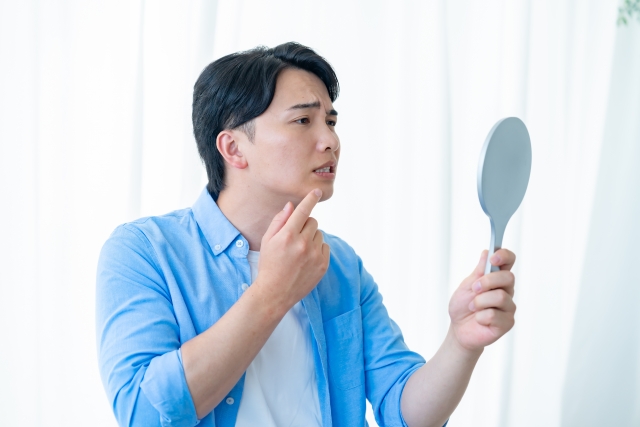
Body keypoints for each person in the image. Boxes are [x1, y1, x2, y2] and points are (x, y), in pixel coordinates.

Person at [96, 42, 517, 427]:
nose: (330, 140)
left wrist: (461, 342)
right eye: (303, 120)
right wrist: (271, 293)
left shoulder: (340, 264)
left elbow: (402, 410)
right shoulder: (144, 251)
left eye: (331, 121)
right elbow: (143, 413)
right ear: (233, 148)